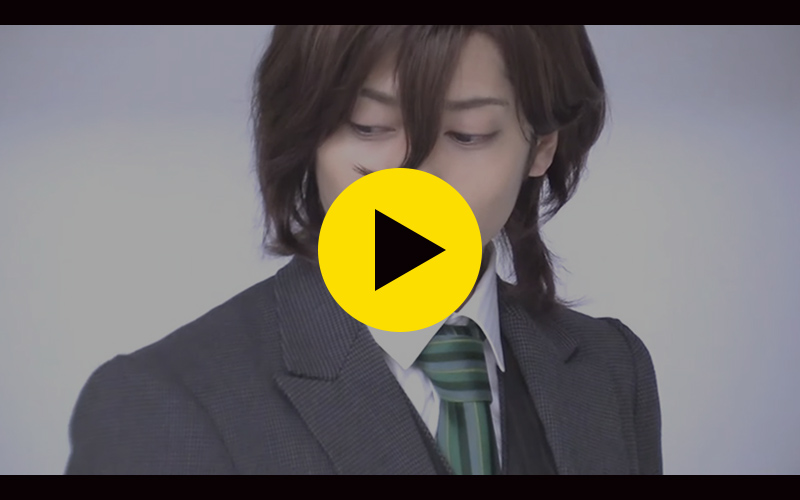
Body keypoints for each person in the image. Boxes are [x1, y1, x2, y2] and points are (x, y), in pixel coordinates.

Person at [65, 25, 662, 475]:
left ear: (543, 146)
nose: (412, 176)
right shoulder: (158, 405)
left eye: (468, 135)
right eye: (368, 126)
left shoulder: (613, 369)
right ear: (308, 130)